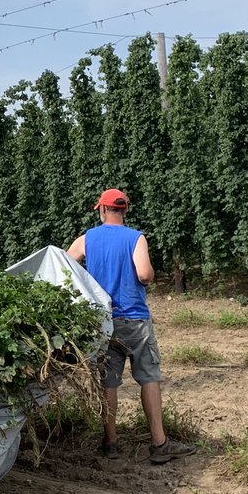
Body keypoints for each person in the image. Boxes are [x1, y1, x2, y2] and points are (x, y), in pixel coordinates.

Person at [67, 189, 196, 464]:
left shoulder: (87, 239)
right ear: (124, 210)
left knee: (109, 381)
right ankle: (159, 444)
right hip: (135, 319)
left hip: (103, 321)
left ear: (103, 210)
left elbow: (66, 267)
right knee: (149, 377)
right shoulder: (136, 238)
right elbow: (145, 274)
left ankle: (111, 442)